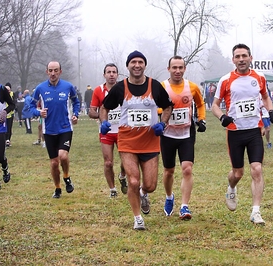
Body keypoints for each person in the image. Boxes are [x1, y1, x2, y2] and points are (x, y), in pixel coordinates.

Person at [99, 50, 173, 230]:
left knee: (150, 185)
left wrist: (162, 124)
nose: (137, 65)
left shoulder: (154, 86)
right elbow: (104, 107)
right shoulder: (120, 88)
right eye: (133, 62)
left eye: (140, 62)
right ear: (128, 66)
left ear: (144, 65)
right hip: (127, 142)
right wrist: (104, 122)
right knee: (133, 181)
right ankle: (137, 218)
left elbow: (169, 106)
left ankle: (143, 193)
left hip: (150, 142)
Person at [211, 44, 273, 226]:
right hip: (235, 132)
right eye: (237, 56)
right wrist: (222, 117)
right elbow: (214, 105)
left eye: (244, 56)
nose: (241, 59)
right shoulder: (226, 80)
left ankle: (256, 211)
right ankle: (231, 187)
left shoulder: (259, 77)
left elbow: (265, 97)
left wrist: (270, 111)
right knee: (238, 173)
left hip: (254, 130)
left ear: (251, 57)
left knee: (257, 169)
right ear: (233, 60)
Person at [160, 56, 206, 220]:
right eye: (174, 67)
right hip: (167, 134)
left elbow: (200, 104)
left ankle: (184, 206)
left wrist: (201, 119)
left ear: (184, 69)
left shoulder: (192, 87)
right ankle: (169, 196)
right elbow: (155, 106)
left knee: (187, 168)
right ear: (169, 69)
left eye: (180, 67)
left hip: (186, 133)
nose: (177, 71)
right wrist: (161, 114)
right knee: (168, 171)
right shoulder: (162, 87)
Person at [30, 61, 80, 198]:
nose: (53, 73)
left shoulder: (68, 86)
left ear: (60, 71)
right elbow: (31, 107)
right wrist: (39, 112)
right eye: (50, 70)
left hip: (65, 128)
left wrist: (75, 115)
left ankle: (66, 177)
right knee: (54, 163)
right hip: (49, 130)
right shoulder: (40, 88)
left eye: (55, 70)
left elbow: (76, 102)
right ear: (47, 72)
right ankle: (57, 188)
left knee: (63, 156)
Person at [88, 63, 127, 198]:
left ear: (117, 74)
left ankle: (122, 176)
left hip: (123, 131)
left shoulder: (124, 88)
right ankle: (112, 190)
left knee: (126, 162)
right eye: (108, 72)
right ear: (104, 75)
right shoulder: (98, 90)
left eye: (114, 72)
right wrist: (102, 116)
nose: (111, 74)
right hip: (106, 132)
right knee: (108, 162)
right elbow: (91, 111)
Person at [5, 83, 14, 147]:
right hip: (3, 113)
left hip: (10, 113)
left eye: (8, 90)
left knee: (9, 128)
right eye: (6, 90)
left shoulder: (12, 94)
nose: (8, 91)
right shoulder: (2, 94)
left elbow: (14, 103)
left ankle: (8, 140)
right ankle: (4, 140)